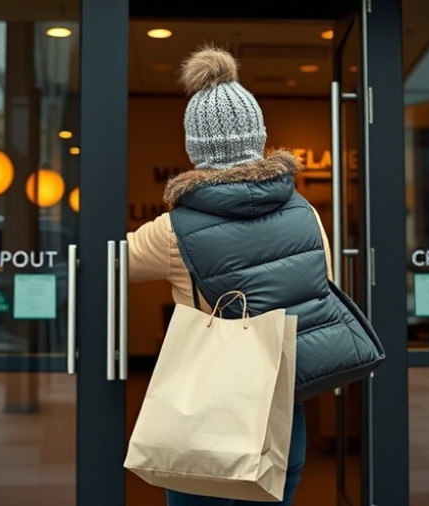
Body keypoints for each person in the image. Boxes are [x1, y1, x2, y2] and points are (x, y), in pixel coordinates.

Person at [127, 45, 334, 505]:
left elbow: (114, 263)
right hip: (281, 418)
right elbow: (318, 291)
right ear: (259, 137)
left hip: (202, 420)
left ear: (194, 148)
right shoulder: (307, 214)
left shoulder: (171, 231)